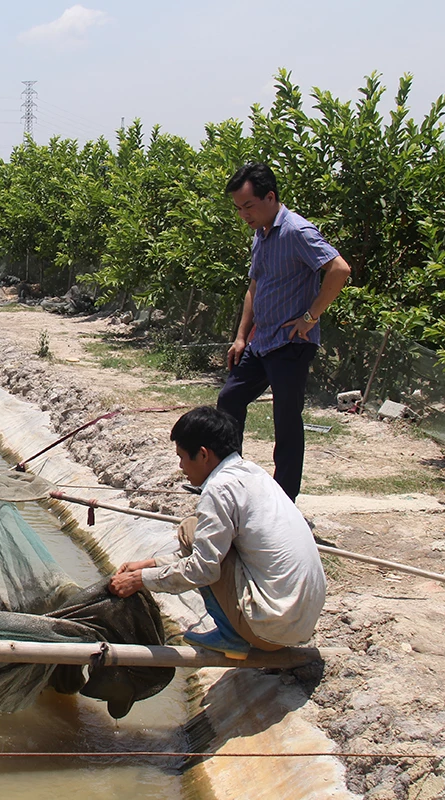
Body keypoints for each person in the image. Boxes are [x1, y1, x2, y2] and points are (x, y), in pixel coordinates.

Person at [106, 407, 326, 659]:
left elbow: (204, 569)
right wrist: (151, 564)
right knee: (204, 537)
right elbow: (215, 553)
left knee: (191, 529)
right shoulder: (254, 474)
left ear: (202, 455)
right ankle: (236, 629)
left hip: (270, 628)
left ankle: (231, 635)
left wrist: (141, 580)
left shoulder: (219, 490)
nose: (181, 467)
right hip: (300, 624)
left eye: (182, 457)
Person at [217, 163, 351, 501]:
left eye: (249, 206)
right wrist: (241, 335)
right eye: (238, 208)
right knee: (230, 398)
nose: (244, 214)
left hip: (291, 342)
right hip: (261, 342)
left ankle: (284, 500)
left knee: (286, 419)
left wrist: (310, 316)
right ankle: (229, 480)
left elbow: (339, 269)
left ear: (271, 197)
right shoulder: (261, 235)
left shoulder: (297, 231)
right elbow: (255, 285)